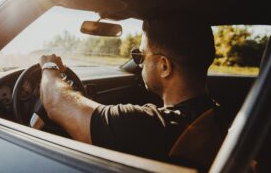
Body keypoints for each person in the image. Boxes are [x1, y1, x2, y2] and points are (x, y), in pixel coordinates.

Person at [38, 17, 225, 165]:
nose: (140, 63)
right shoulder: (218, 116)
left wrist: (49, 66)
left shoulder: (148, 126)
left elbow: (55, 103)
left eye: (141, 55)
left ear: (164, 66)